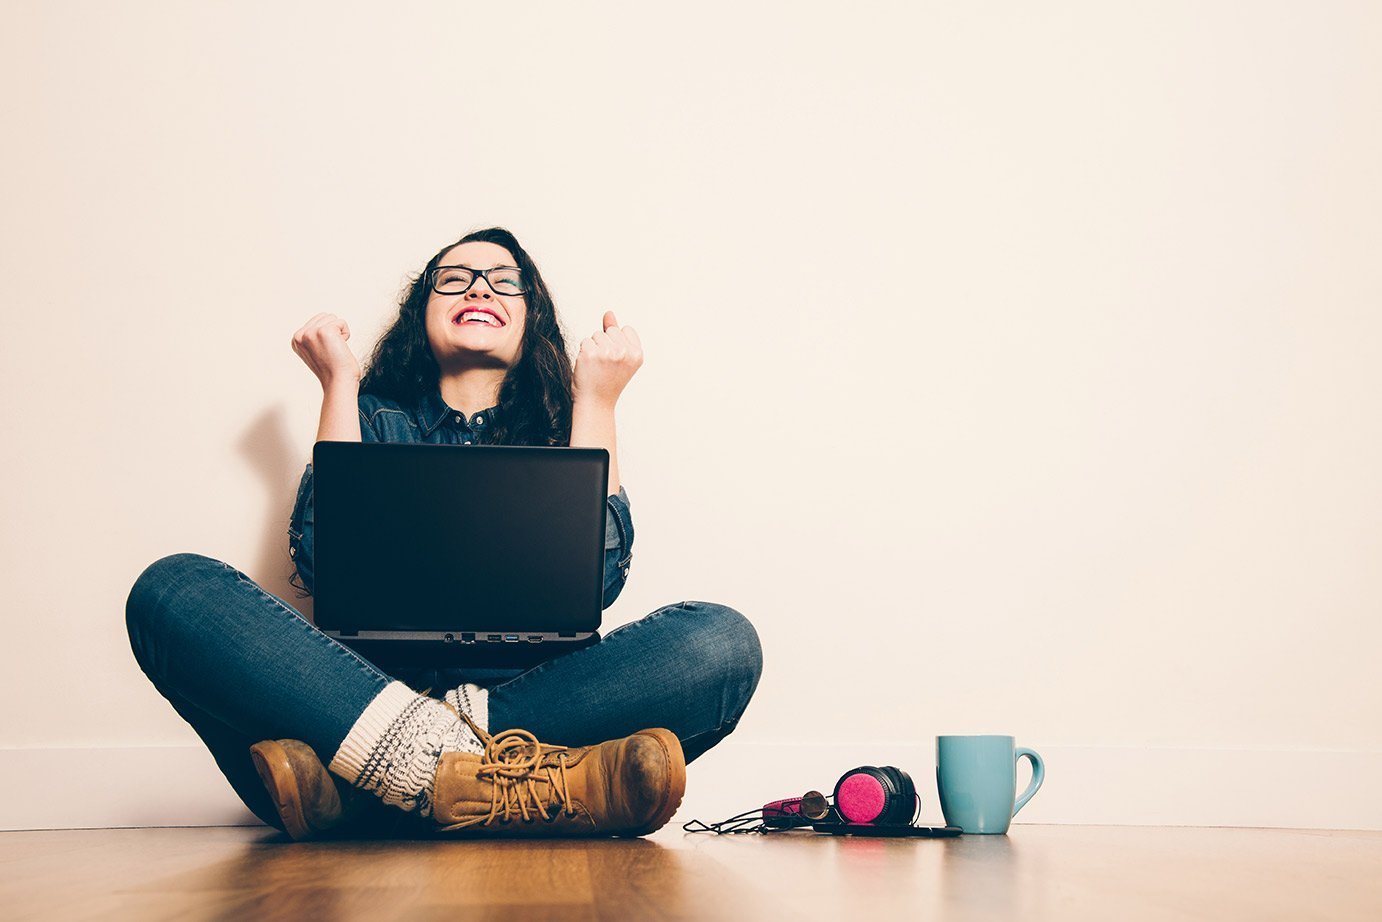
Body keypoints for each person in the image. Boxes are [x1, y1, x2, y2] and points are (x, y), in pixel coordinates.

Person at [125, 227, 763, 840]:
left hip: (532, 699)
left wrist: (596, 400)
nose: (479, 288)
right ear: (420, 313)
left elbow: (598, 582)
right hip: (359, 691)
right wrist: (338, 384)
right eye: (454, 279)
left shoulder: (559, 430)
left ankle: (378, 794)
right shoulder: (370, 417)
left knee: (722, 644)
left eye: (503, 282)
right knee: (173, 591)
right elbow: (326, 561)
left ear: (530, 317)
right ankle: (508, 786)